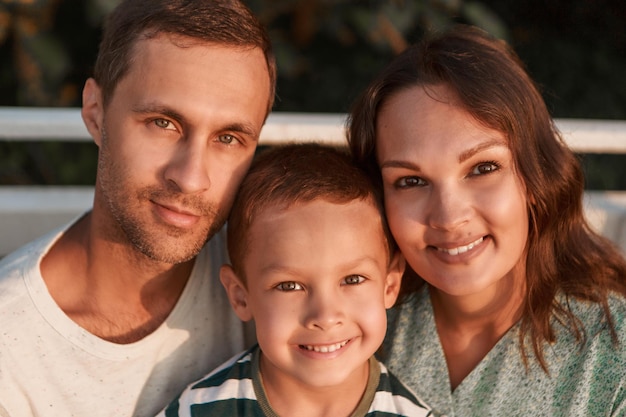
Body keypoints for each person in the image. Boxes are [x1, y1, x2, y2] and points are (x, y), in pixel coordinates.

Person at [0, 0, 276, 416]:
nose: (190, 177)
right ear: (96, 113)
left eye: (228, 138)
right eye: (163, 123)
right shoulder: (11, 350)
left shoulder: (277, 284)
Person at [347, 25, 626, 417]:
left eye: (482, 168)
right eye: (410, 181)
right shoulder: (348, 329)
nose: (448, 216)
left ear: (536, 173)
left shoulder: (613, 358)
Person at [157, 143, 433, 417]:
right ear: (240, 296)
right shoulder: (197, 411)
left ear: (390, 285)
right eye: (289, 286)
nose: (325, 316)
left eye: (352, 279)